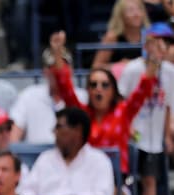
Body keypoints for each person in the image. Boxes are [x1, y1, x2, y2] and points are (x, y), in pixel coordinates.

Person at [49, 30, 161, 177]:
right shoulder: (82, 114)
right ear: (88, 90)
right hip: (86, 176)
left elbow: (143, 88)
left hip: (117, 178)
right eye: (93, 85)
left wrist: (153, 59)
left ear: (113, 90)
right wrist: (57, 52)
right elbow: (65, 88)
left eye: (105, 85)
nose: (98, 89)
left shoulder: (124, 111)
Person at [118, 22, 174, 195]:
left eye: (165, 43)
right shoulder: (133, 68)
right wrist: (128, 126)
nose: (160, 46)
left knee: (150, 179)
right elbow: (121, 99)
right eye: (155, 41)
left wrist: (167, 135)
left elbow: (168, 105)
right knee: (130, 180)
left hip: (154, 133)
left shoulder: (169, 71)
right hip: (133, 132)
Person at [10, 49, 88, 144]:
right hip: (34, 157)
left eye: (63, 66)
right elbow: (13, 137)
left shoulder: (83, 97)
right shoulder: (29, 95)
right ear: (45, 71)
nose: (58, 71)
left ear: (71, 70)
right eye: (53, 66)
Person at [91, 0, 149, 72]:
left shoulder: (150, 35)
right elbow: (96, 66)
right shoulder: (112, 37)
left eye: (139, 9)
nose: (136, 14)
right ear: (121, 15)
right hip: (119, 80)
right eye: (131, 10)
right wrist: (119, 66)